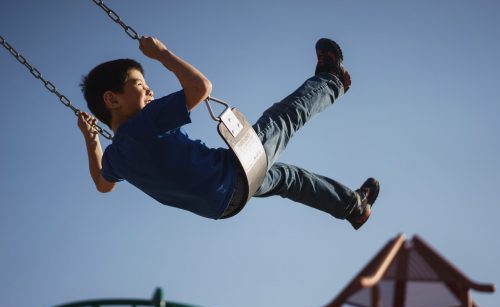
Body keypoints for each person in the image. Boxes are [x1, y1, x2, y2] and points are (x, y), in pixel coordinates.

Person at [78, 36, 379, 230]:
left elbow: (102, 184)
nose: (149, 89)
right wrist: (162, 54)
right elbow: (200, 88)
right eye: (138, 84)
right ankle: (332, 80)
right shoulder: (146, 122)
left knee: (288, 178)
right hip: (231, 175)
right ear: (112, 99)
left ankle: (352, 206)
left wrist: (92, 141)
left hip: (223, 204)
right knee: (282, 119)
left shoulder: (116, 157)